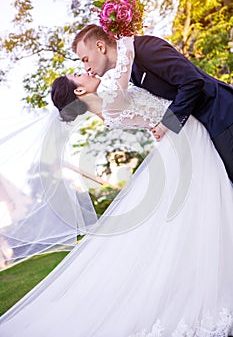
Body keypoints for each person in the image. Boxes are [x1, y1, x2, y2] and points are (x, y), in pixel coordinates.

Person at [0, 37, 233, 337]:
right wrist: (124, 35)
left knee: (204, 213)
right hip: (185, 137)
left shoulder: (108, 109)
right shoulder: (112, 97)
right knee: (206, 211)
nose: (87, 71)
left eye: (83, 65)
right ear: (80, 91)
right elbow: (126, 56)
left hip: (185, 135)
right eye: (80, 73)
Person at [72, 24, 233, 183]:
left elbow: (192, 82)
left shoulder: (146, 48)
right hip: (205, 128)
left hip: (222, 114)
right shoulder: (132, 71)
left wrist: (167, 124)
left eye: (85, 60)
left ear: (100, 46)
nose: (86, 68)